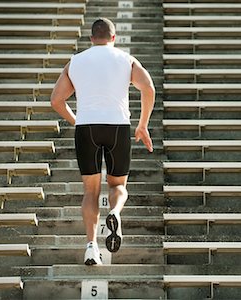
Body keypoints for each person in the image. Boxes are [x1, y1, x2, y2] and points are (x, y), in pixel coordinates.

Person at [50, 18, 155, 265]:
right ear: (113, 37)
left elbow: (56, 100)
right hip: (118, 126)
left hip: (87, 127)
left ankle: (90, 247)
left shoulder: (76, 61)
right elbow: (148, 87)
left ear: (91, 38)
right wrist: (143, 124)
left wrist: (77, 121)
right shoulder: (125, 59)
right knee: (118, 186)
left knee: (90, 191)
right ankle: (115, 213)